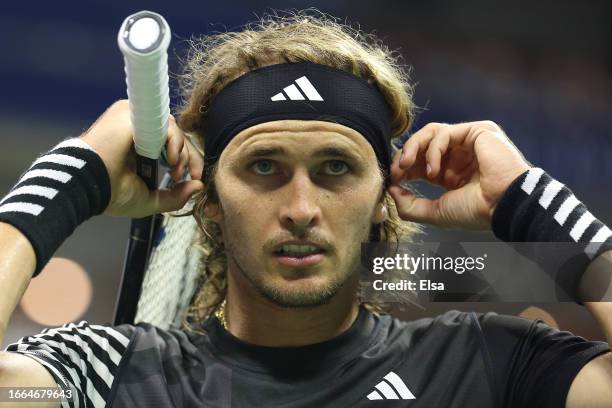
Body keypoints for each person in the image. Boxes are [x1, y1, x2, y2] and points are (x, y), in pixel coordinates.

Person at [0, 12, 611, 408]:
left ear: (383, 199)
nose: (300, 208)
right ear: (209, 202)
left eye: (335, 169)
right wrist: (75, 177)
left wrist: (531, 204)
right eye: (263, 167)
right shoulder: (110, 373)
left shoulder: (484, 367)